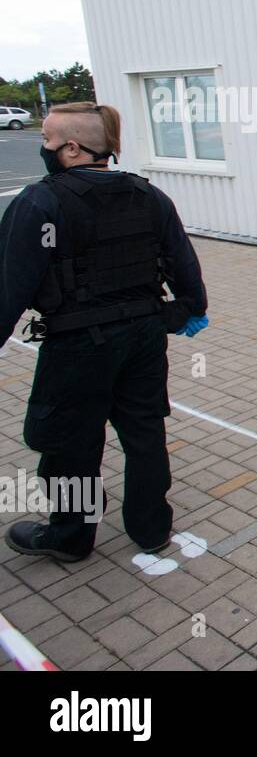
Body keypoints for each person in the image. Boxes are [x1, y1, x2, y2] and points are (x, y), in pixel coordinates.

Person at [0, 102, 208, 562]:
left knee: (70, 446)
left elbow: (8, 288)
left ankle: (71, 537)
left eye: (47, 140)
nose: (43, 147)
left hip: (77, 348)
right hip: (143, 340)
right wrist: (175, 315)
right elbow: (187, 276)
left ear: (71, 149)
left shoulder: (40, 202)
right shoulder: (149, 196)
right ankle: (151, 528)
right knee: (144, 433)